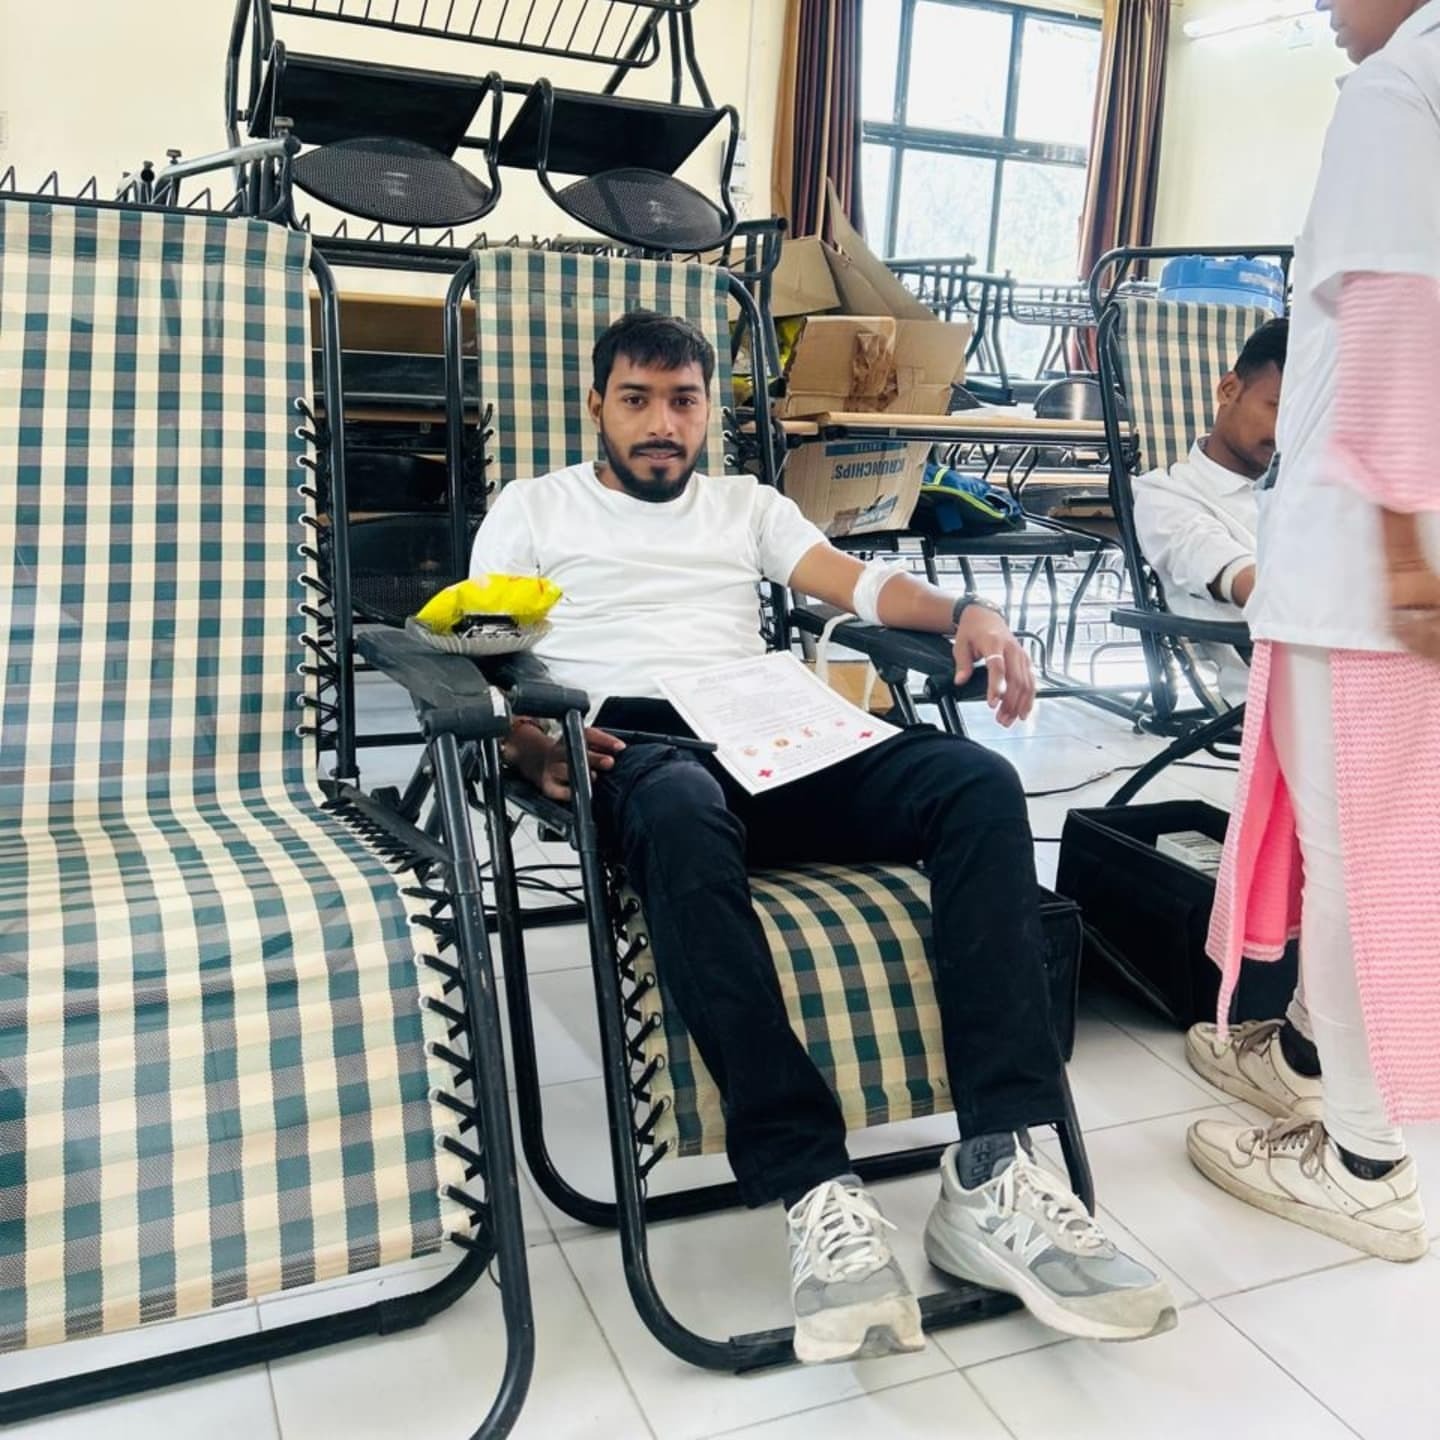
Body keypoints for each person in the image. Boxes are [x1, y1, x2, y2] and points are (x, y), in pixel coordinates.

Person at [473, 310, 1176, 1362]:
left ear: (707, 412)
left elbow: (858, 582)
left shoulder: (745, 505)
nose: (662, 423)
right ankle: (812, 1182)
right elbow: (484, 651)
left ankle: (995, 1165)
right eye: (637, 400)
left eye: (683, 401)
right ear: (596, 408)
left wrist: (965, 614)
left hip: (768, 726)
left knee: (976, 784)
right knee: (680, 812)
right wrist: (526, 744)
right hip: (631, 742)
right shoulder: (534, 507)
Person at [1186, 0, 1440, 1263]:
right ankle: (1303, 1061)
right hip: (1390, 558)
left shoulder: (1399, 90)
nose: (1329, 9)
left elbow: (1395, 323)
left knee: (1362, 858)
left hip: (1367, 570)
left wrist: (1403, 551)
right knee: (1383, 842)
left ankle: (1365, 1157)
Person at [1132, 318, 1288, 704]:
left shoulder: (1311, 489)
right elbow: (1233, 573)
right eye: (1278, 408)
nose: (1287, 431)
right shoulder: (1166, 496)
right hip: (1282, 692)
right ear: (1228, 389)